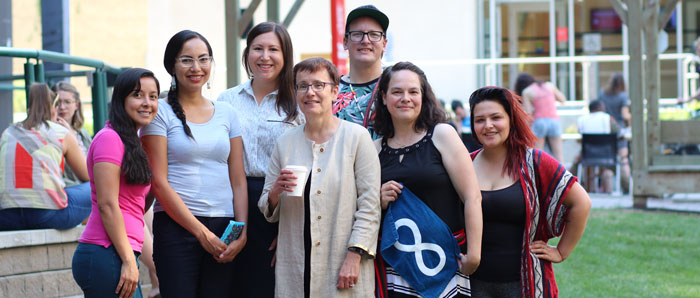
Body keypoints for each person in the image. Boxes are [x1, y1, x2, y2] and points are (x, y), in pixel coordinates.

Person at [258, 57, 381, 297]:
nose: (310, 92)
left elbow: (369, 205)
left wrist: (355, 255)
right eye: (302, 86)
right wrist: (274, 192)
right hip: (296, 260)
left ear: (335, 91)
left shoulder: (357, 138)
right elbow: (266, 205)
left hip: (343, 260)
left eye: (318, 85)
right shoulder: (285, 143)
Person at [141, 30, 248, 297]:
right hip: (178, 229)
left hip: (224, 229)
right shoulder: (159, 112)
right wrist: (201, 234)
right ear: (172, 66)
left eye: (203, 59)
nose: (196, 67)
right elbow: (158, 182)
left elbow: (237, 178)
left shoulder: (227, 112)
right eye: (186, 60)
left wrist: (242, 231)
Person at [467, 86, 591, 298]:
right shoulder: (465, 164)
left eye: (496, 117)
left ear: (511, 120)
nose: (488, 126)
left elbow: (582, 202)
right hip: (472, 284)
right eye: (480, 120)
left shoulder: (535, 162)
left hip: (525, 285)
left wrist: (561, 252)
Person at [373, 62, 482, 298]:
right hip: (397, 266)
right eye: (396, 92)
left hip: (445, 259)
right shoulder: (374, 149)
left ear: (423, 96)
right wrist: (377, 199)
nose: (406, 98)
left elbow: (472, 196)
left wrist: (475, 252)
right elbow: (362, 209)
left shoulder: (442, 134)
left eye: (413, 91)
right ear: (383, 97)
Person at [217, 21, 303, 298]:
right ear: (247, 53)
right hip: (232, 200)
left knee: (268, 285)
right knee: (233, 283)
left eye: (273, 49)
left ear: (285, 55)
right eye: (258, 49)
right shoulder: (226, 100)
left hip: (280, 202)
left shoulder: (299, 100)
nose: (265, 57)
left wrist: (291, 229)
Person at [72, 68, 160, 298]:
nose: (147, 103)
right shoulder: (109, 138)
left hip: (119, 252)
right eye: (138, 95)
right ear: (122, 99)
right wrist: (130, 261)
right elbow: (107, 204)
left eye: (153, 96)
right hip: (105, 251)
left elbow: (136, 205)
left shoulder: (134, 142)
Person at [0, 83, 90, 230]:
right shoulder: (61, 133)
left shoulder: (7, 133)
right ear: (53, 109)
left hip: (6, 218)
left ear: (28, 109)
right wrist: (72, 135)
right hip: (46, 217)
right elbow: (89, 176)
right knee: (98, 187)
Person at [333, 4, 389, 137]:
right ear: (345, 42)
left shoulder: (398, 88)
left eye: (374, 35)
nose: (365, 40)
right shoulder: (330, 91)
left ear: (384, 44)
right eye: (357, 34)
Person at [514, 73, 566, 163]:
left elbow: (529, 113)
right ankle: (563, 177)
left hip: (539, 122)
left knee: (538, 155)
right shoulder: (549, 86)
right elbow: (562, 99)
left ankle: (539, 177)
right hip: (554, 121)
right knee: (559, 156)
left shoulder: (527, 92)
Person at [52, 81, 94, 187]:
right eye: (57, 102)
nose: (62, 107)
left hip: (86, 186)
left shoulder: (83, 134)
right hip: (65, 189)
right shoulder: (49, 133)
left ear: (76, 105)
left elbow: (93, 167)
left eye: (67, 102)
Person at [598, 72, 632, 191]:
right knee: (623, 159)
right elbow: (625, 115)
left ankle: (607, 189)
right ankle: (626, 188)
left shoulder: (602, 94)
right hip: (619, 132)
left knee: (606, 162)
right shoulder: (622, 96)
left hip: (605, 131)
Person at [577, 100, 620, 193]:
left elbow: (580, 139)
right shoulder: (608, 118)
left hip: (588, 156)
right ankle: (607, 190)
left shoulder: (582, 120)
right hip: (608, 155)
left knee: (579, 160)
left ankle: (588, 189)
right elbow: (618, 131)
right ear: (599, 108)